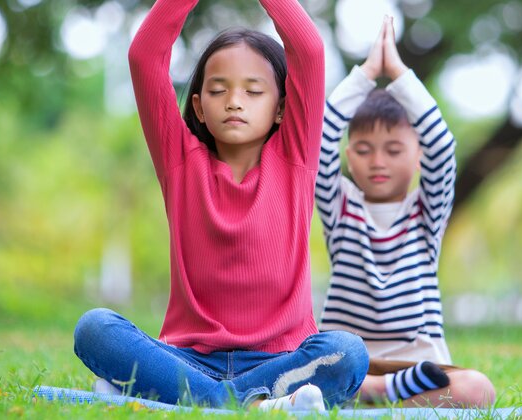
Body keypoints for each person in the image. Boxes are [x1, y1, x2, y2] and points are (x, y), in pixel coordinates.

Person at [72, 0, 368, 412]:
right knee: (95, 328)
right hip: (188, 358)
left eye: (253, 90)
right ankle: (254, 404)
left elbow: (310, 52)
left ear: (281, 106)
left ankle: (170, 396)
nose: (234, 101)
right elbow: (144, 56)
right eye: (217, 90)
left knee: (348, 352)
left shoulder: (297, 158)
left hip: (279, 360)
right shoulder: (179, 160)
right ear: (198, 106)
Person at [314, 16, 495, 408]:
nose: (378, 161)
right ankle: (369, 395)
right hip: (347, 361)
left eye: (394, 150)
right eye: (364, 150)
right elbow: (319, 140)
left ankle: (366, 400)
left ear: (418, 158)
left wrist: (397, 72)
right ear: (348, 157)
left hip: (420, 367)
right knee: (301, 377)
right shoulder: (340, 206)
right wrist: (364, 75)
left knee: (477, 390)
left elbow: (444, 147)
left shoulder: (425, 214)